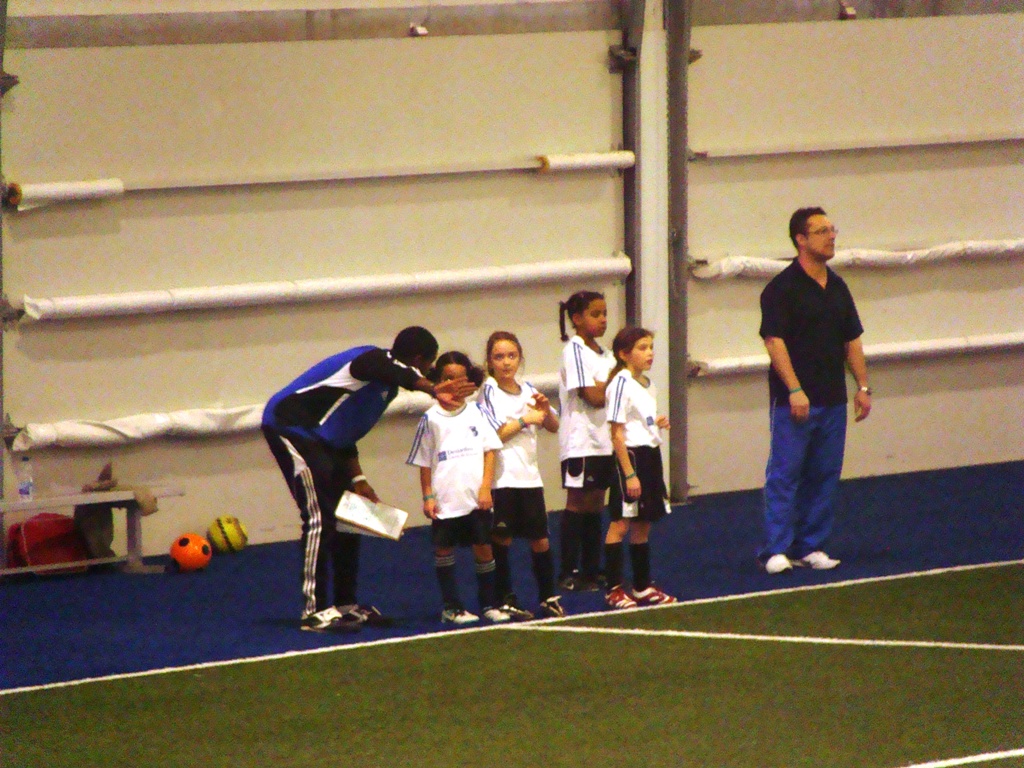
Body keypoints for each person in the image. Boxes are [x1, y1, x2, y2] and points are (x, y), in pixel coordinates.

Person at [262, 326, 476, 632]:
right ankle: (314, 611)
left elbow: (345, 431)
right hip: (289, 426)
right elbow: (396, 370)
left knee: (349, 517)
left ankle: (345, 604)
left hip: (324, 440)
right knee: (319, 516)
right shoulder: (369, 360)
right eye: (428, 363)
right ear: (418, 359)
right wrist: (432, 389)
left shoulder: (382, 388)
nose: (428, 369)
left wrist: (359, 478)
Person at [758, 207, 872, 575]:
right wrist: (794, 389)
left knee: (825, 474)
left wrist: (862, 386)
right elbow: (774, 341)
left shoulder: (838, 287)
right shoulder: (781, 289)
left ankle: (811, 545)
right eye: (822, 231)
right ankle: (775, 549)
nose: (832, 236)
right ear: (801, 240)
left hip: (833, 399)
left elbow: (852, 340)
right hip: (795, 402)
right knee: (785, 474)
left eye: (832, 229)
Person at [406, 351, 513, 625]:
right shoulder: (430, 418)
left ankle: (489, 603)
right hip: (446, 498)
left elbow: (490, 451)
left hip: (475, 498)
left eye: (460, 379)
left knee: (483, 547)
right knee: (444, 549)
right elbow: (424, 462)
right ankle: (451, 607)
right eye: (448, 379)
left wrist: (486, 488)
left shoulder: (477, 412)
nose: (454, 385)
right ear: (438, 381)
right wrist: (428, 496)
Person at [478, 331, 565, 620]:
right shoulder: (489, 391)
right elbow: (493, 434)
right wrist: (524, 419)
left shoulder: (528, 389)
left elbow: (553, 425)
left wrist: (544, 411)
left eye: (512, 356)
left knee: (540, 539)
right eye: (499, 357)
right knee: (502, 538)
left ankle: (547, 596)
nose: (506, 362)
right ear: (490, 362)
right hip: (502, 479)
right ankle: (505, 597)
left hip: (530, 478)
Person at [603, 327, 676, 609]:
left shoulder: (646, 384)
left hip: (650, 456)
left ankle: (642, 586)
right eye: (642, 348)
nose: (649, 353)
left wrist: (656, 422)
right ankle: (613, 589)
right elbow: (617, 433)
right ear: (624, 354)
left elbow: (639, 420)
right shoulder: (620, 383)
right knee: (621, 522)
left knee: (643, 522)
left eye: (650, 347)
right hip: (631, 458)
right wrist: (629, 474)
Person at [557, 290, 616, 592]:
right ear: (577, 319)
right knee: (578, 502)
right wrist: (613, 382)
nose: (603, 319)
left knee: (596, 502)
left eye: (605, 313)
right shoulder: (575, 350)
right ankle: (569, 570)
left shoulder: (606, 354)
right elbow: (592, 396)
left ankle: (592, 569)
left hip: (604, 440)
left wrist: (608, 384)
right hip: (581, 441)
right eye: (595, 314)